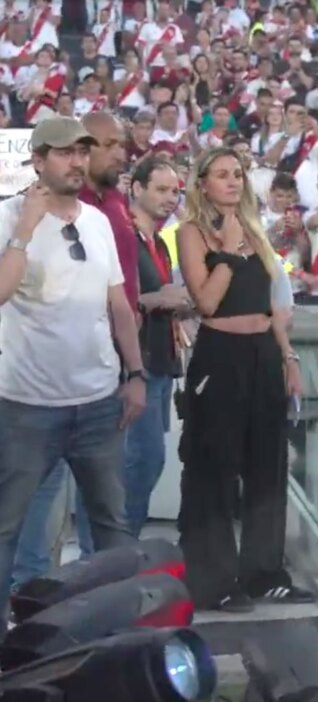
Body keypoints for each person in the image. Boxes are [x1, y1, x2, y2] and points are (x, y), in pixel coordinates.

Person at [0, 117, 146, 618]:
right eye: (65, 153)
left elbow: (119, 307)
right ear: (37, 160)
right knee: (8, 529)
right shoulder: (7, 216)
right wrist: (24, 228)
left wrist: (136, 375)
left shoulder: (99, 220)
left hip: (99, 402)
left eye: (82, 153)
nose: (78, 162)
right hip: (26, 406)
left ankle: (112, 631)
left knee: (110, 525)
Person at [175, 146, 313, 612]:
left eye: (238, 173)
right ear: (203, 184)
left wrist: (288, 358)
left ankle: (264, 572)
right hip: (220, 357)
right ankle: (214, 581)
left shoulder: (257, 232)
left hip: (263, 354)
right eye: (222, 174)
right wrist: (229, 251)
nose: (233, 182)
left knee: (267, 466)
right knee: (213, 469)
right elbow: (207, 302)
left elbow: (274, 304)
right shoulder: (191, 233)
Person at [123, 156, 189, 537]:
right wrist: (158, 299)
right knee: (141, 460)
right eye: (161, 189)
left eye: (175, 192)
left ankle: (123, 547)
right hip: (138, 365)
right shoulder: (125, 239)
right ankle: (116, 549)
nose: (170, 198)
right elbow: (114, 298)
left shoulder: (161, 244)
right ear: (137, 187)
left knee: (150, 461)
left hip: (162, 362)